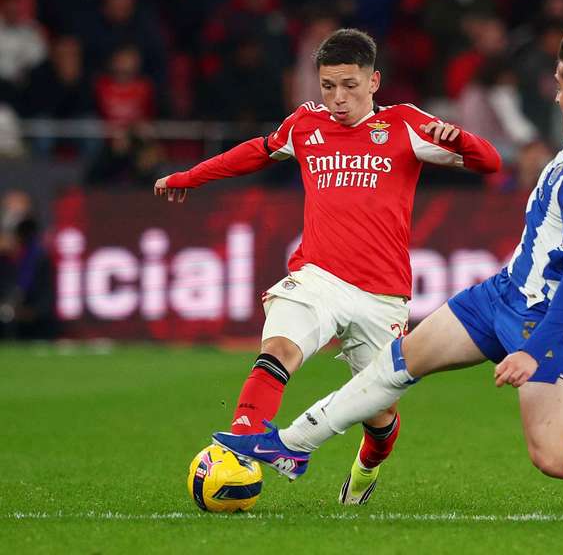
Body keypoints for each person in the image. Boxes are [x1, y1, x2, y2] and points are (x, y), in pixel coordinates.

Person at [212, 0, 563, 523]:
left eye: (560, 86)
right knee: (399, 362)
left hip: (545, 317)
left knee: (552, 456)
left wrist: (534, 350)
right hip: (503, 292)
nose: (554, 95)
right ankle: (291, 445)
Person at [154, 28, 501, 504]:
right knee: (280, 347)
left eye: (350, 86)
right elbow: (254, 152)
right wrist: (189, 177)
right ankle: (244, 443)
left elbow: (490, 163)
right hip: (318, 275)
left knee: (380, 420)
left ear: (374, 81)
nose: (338, 98)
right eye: (328, 86)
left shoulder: (404, 126)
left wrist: (460, 138)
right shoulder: (305, 126)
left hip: (383, 295)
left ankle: (363, 472)